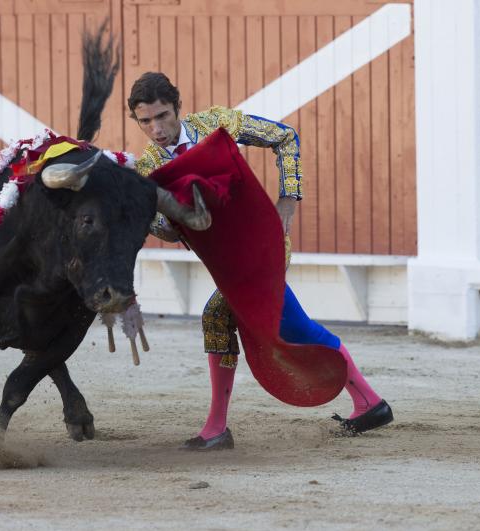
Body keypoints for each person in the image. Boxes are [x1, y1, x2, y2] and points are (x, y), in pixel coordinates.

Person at [128, 72, 393, 450]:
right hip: (229, 264)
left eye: (163, 116)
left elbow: (284, 137)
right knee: (290, 325)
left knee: (229, 317)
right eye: (146, 121)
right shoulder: (146, 170)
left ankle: (216, 429)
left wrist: (289, 198)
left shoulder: (214, 124)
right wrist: (164, 214)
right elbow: (167, 231)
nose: (157, 129)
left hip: (262, 247)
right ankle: (369, 401)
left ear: (178, 108)